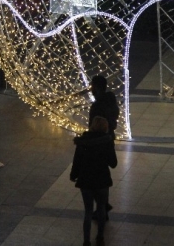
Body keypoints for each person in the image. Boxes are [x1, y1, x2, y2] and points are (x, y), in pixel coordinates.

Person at [70, 115, 117, 246]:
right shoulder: (106, 142)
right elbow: (113, 163)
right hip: (101, 180)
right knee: (101, 209)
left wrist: (73, 175)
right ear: (105, 128)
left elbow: (77, 161)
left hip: (85, 180)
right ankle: (100, 237)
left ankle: (86, 240)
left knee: (88, 211)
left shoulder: (82, 142)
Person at [88, 74, 119, 219]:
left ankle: (102, 207)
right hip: (108, 139)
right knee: (104, 173)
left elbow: (92, 125)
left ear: (98, 88)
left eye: (93, 86)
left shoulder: (98, 106)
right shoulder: (110, 101)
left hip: (98, 142)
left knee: (94, 177)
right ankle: (104, 205)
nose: (91, 89)